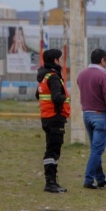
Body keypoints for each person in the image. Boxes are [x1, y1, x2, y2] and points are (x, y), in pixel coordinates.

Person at [77, 48, 106, 189]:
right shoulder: (104, 76)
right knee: (97, 150)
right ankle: (88, 179)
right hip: (100, 115)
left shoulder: (81, 75)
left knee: (95, 147)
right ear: (102, 60)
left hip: (86, 115)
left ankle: (100, 178)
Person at [36, 48, 70, 193]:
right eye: (60, 59)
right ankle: (50, 182)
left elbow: (38, 95)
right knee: (53, 151)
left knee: (52, 149)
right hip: (55, 118)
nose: (62, 61)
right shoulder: (54, 77)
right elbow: (56, 97)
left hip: (46, 117)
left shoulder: (44, 76)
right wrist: (67, 98)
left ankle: (52, 181)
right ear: (55, 60)